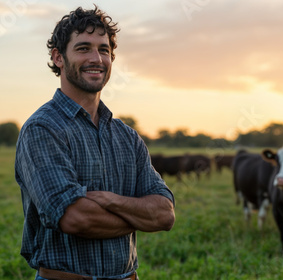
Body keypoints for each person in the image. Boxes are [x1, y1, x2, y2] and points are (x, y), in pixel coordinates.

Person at [14, 6, 175, 280]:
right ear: (58, 57)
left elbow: (164, 214)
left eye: (103, 50)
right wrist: (137, 215)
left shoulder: (127, 136)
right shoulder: (42, 129)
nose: (96, 58)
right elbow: (76, 218)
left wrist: (108, 200)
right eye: (83, 48)